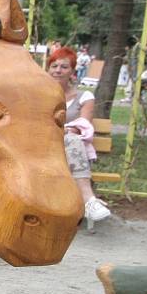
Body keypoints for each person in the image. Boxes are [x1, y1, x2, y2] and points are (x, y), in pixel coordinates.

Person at [47, 46, 111, 222]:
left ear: (73, 71)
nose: (58, 70)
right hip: (43, 148)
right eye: (54, 66)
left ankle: (88, 201)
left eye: (64, 67)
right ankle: (89, 200)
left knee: (72, 138)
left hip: (69, 150)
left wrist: (64, 130)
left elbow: (83, 124)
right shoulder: (39, 93)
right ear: (48, 68)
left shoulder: (84, 96)